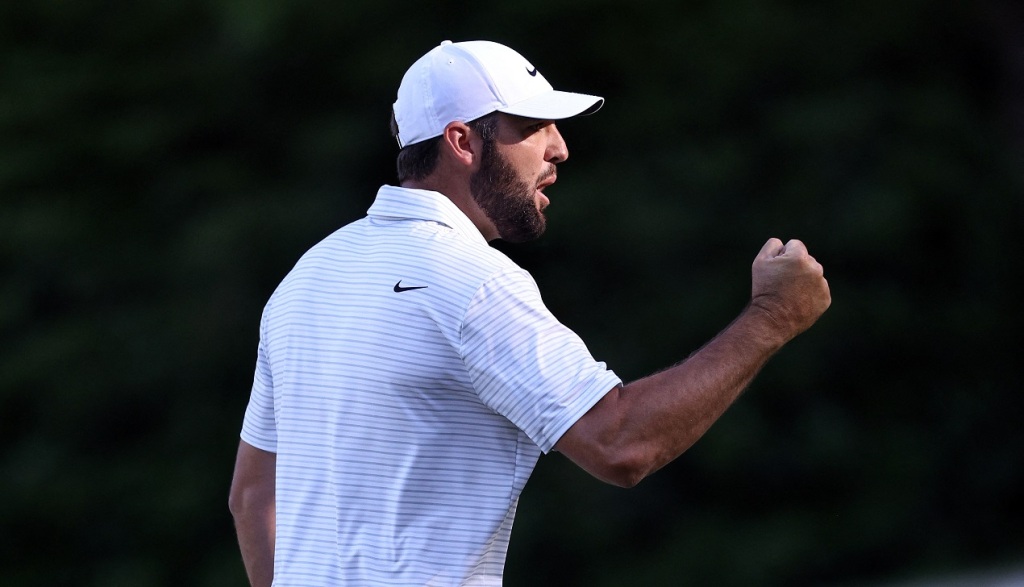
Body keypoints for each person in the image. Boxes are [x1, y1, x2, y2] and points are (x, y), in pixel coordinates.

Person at [229, 40, 831, 587]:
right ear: (462, 142)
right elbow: (620, 444)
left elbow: (254, 496)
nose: (560, 147)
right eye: (533, 125)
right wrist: (773, 317)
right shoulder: (470, 279)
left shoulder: (306, 277)